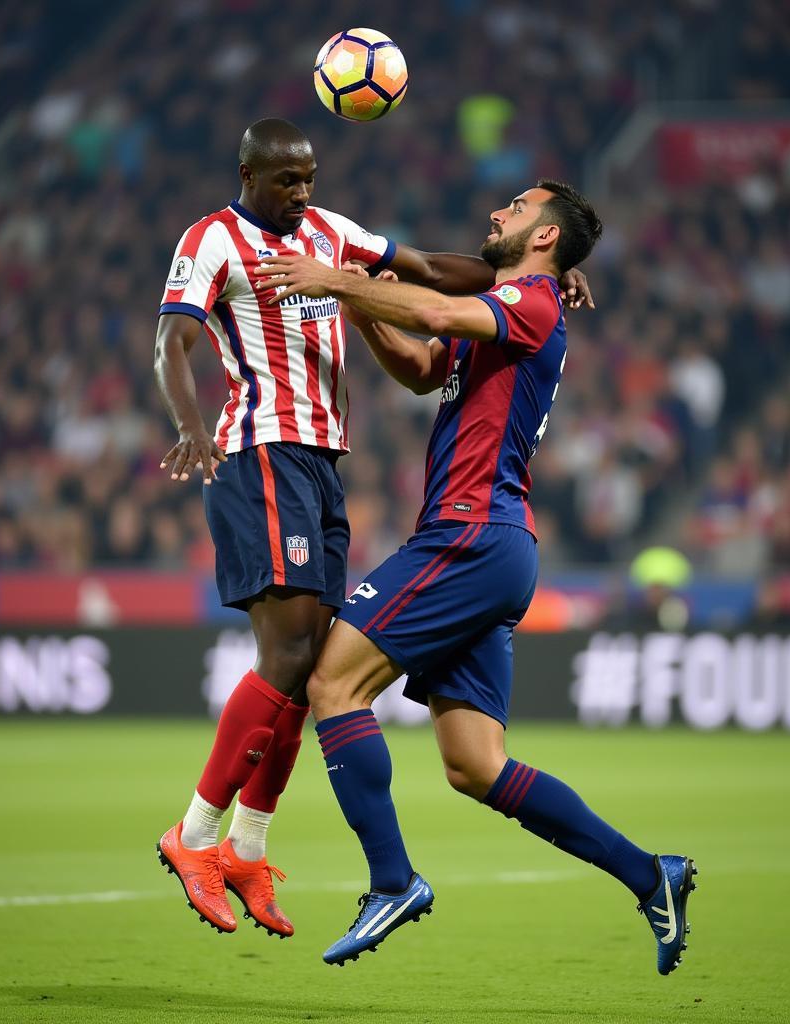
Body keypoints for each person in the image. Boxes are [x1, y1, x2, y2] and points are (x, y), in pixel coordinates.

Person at [152, 118, 594, 939]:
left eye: (311, 179)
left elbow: (432, 270)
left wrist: (544, 279)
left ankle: (247, 843)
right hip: (263, 447)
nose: (303, 194)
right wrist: (189, 423)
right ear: (249, 173)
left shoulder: (330, 235)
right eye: (288, 181)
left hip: (322, 462)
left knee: (312, 661)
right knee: (291, 659)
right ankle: (197, 834)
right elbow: (170, 342)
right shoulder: (210, 239)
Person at [254, 179, 696, 974]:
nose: (496, 211)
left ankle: (392, 881)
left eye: (517, 208)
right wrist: (363, 307)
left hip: (470, 534)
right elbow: (425, 365)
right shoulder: (514, 305)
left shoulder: (532, 301)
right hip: (491, 544)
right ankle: (649, 874)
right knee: (473, 765)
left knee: (332, 686)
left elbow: (430, 312)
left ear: (544, 238)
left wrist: (337, 280)